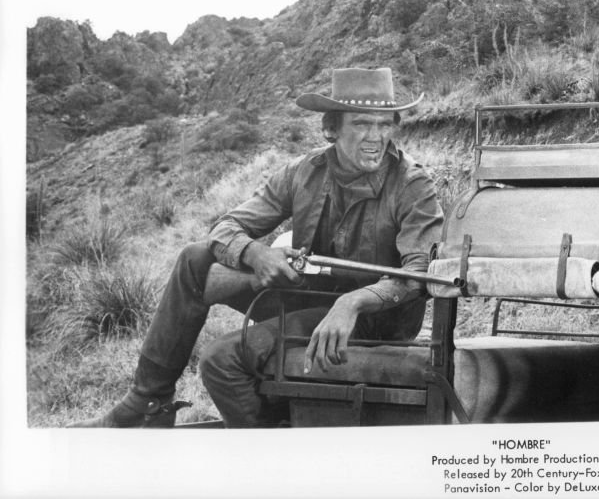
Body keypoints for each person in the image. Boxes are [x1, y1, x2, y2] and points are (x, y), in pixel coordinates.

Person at [71, 67, 443, 428]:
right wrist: (257, 255)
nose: (376, 137)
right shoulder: (304, 171)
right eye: (361, 124)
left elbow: (417, 276)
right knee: (194, 259)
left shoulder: (412, 185)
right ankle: (147, 403)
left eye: (384, 124)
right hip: (315, 296)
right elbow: (225, 228)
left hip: (376, 318)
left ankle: (273, 455)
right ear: (332, 128)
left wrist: (353, 302)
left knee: (219, 359)